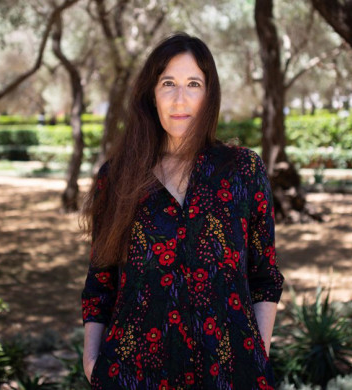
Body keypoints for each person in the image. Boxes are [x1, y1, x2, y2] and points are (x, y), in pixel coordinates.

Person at [81, 32, 284, 390]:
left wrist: (257, 353)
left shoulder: (242, 171)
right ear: (151, 95)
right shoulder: (118, 177)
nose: (180, 99)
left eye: (193, 84)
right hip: (133, 376)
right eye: (168, 84)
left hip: (229, 375)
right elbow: (101, 280)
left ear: (209, 94)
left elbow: (264, 276)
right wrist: (91, 362)